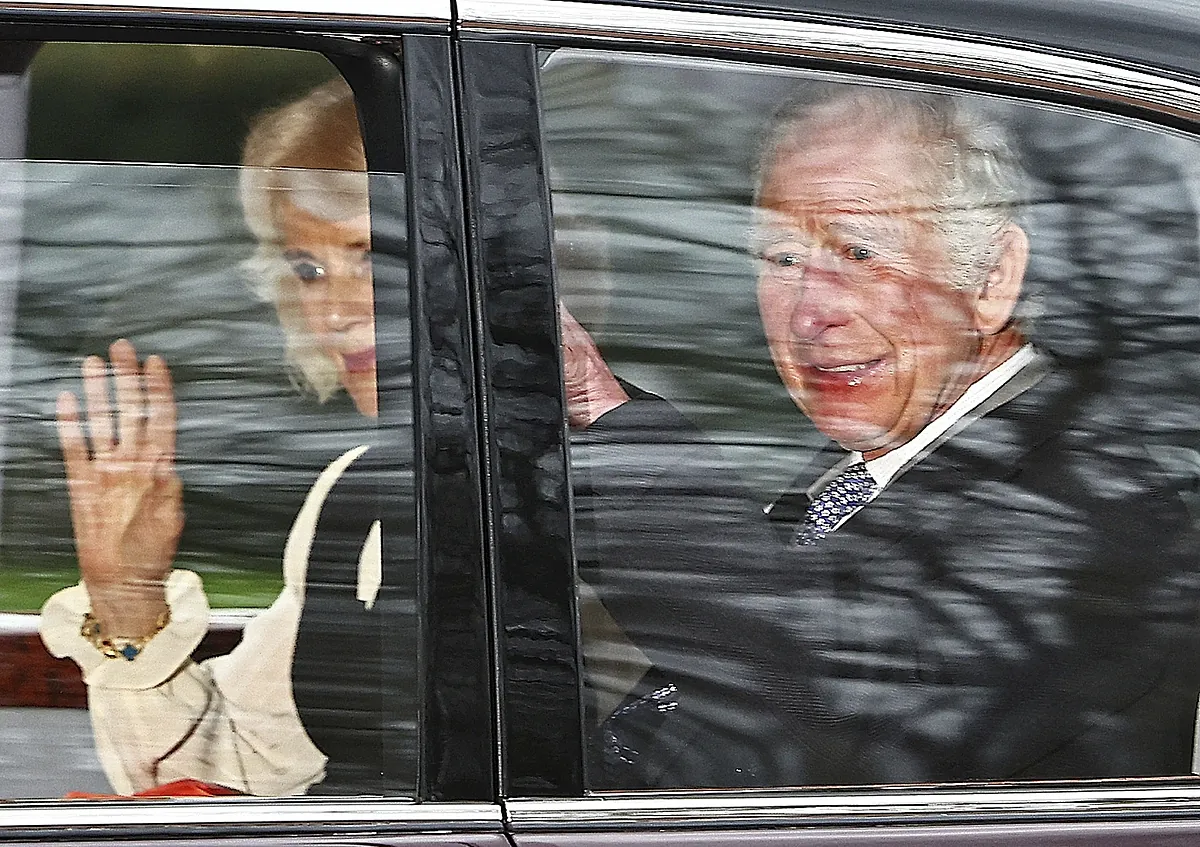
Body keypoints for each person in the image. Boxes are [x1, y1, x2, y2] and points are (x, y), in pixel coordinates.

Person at [570, 86, 1200, 788]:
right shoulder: (865, 466)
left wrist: (606, 420)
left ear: (992, 278)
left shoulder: (1088, 503)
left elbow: (828, 701)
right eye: (781, 258)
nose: (811, 310)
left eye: (860, 251)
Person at [38, 77, 406, 796]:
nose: (332, 310)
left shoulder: (595, 482)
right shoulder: (356, 496)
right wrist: (128, 602)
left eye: (369, 254)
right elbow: (237, 767)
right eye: (308, 268)